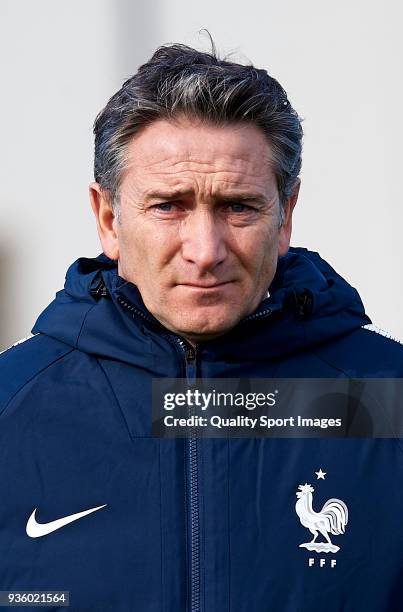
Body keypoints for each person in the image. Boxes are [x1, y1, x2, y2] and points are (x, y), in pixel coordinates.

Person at [1, 43, 403, 612]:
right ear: (108, 219)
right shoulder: (9, 408)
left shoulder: (390, 397)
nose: (205, 250)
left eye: (238, 207)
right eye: (169, 206)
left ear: (284, 217)